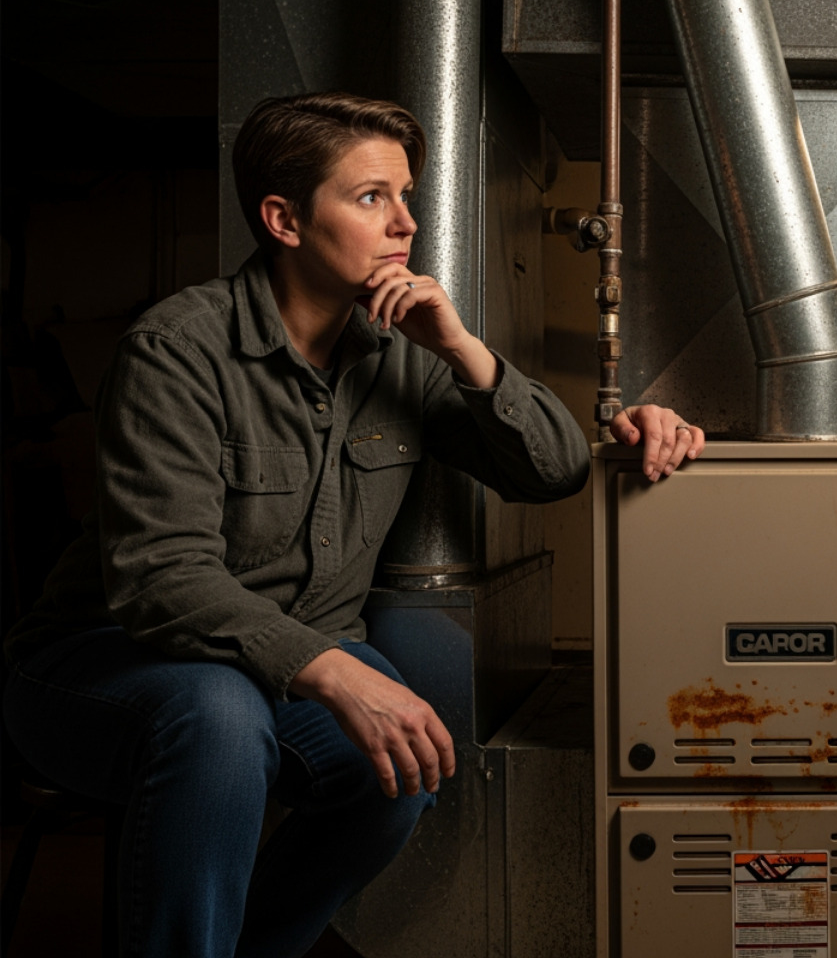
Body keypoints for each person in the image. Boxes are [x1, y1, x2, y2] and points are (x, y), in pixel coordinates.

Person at [3, 91, 703, 958]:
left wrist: (461, 348)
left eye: (407, 196)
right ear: (283, 219)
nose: (406, 223)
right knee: (219, 715)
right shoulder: (178, 351)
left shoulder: (402, 353)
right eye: (372, 197)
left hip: (281, 674)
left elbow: (554, 468)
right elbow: (162, 581)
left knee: (402, 764)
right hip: (107, 663)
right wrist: (337, 670)